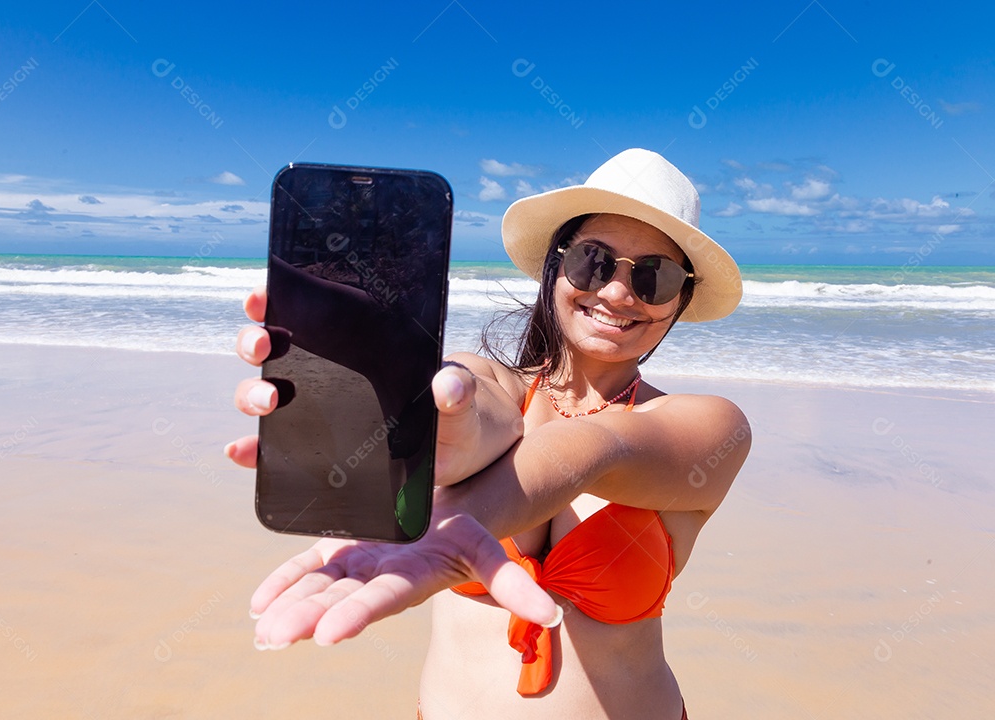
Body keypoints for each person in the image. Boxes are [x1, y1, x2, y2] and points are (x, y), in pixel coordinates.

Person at [226, 148, 752, 719]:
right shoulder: (490, 381)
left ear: (680, 299)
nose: (619, 294)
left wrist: (460, 524)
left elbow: (598, 447)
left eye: (654, 276)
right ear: (556, 266)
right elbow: (473, 410)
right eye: (593, 261)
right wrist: (437, 422)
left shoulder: (709, 427)